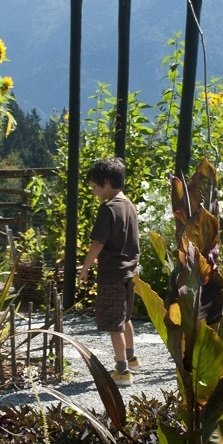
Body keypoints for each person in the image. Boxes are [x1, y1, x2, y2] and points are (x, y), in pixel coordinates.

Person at [79, 157, 140, 384]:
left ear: (106, 182)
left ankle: (122, 371)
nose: (94, 192)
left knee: (115, 324)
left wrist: (85, 268)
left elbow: (97, 244)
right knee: (125, 318)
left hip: (112, 274)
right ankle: (132, 358)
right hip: (130, 272)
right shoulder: (129, 206)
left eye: (95, 186)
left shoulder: (108, 209)